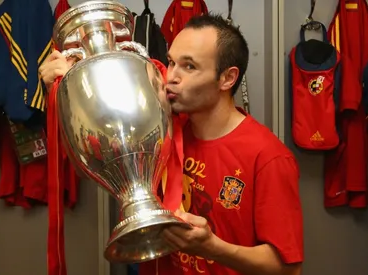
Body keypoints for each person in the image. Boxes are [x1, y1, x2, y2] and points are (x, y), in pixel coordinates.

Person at [40, 13, 303, 275]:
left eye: (189, 66)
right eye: (170, 62)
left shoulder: (268, 157)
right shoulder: (159, 126)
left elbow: (288, 269)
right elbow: (97, 136)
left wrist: (213, 248)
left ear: (227, 78)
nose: (171, 77)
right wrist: (70, 84)